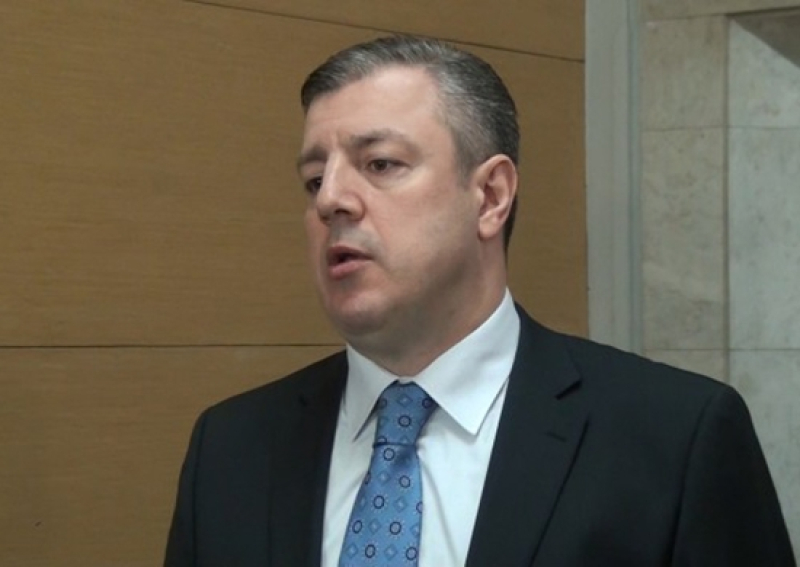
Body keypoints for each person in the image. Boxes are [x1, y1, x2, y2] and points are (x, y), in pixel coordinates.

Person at [164, 36, 795, 566]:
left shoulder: (675, 439)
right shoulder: (232, 449)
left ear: (491, 196)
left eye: (379, 164)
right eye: (313, 179)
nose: (330, 200)